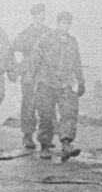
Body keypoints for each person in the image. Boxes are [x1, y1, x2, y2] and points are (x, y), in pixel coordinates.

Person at [29, 10, 85, 160]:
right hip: (46, 83)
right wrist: (30, 78)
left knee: (69, 114)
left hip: (65, 83)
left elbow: (77, 63)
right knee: (46, 116)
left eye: (67, 23)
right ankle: (45, 146)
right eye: (62, 23)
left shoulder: (72, 42)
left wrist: (81, 81)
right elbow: (35, 59)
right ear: (57, 23)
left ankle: (66, 145)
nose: (65, 26)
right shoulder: (45, 39)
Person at [10, 3, 50, 149]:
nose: (42, 17)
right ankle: (27, 135)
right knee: (29, 104)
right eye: (39, 14)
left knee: (46, 104)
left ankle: (45, 137)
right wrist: (16, 69)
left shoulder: (49, 33)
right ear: (33, 16)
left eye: (44, 14)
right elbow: (13, 49)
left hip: (45, 74)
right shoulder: (25, 34)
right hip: (29, 74)